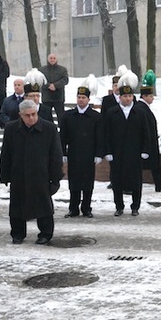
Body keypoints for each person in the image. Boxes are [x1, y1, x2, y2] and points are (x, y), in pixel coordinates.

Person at [0, 99, 63, 244]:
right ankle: (18, 233)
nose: (31, 118)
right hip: (18, 174)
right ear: (20, 114)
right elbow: (6, 154)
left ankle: (45, 233)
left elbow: (55, 156)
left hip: (41, 174)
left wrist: (56, 178)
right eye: (27, 115)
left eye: (34, 114)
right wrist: (4, 175)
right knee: (17, 206)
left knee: (44, 205)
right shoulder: (11, 128)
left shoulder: (49, 129)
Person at [104, 71, 151, 216]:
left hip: (134, 152)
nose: (127, 98)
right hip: (117, 153)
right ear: (120, 97)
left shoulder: (139, 112)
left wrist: (145, 150)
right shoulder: (112, 113)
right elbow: (106, 133)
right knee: (117, 180)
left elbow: (146, 132)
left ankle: (135, 206)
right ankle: (119, 206)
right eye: (125, 96)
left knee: (136, 180)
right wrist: (108, 151)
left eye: (130, 96)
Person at [60, 76, 104, 218]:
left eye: (83, 97)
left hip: (89, 155)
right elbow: (63, 136)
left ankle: (86, 208)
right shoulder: (68, 116)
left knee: (87, 183)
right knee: (73, 183)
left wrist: (99, 154)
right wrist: (63, 153)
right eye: (79, 97)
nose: (81, 100)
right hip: (73, 154)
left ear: (88, 99)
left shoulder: (95, 117)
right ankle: (73, 208)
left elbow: (100, 136)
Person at [136, 70, 161, 192]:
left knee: (155, 164)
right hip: (146, 142)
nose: (153, 98)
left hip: (150, 141)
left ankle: (159, 184)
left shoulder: (144, 107)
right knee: (143, 165)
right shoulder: (140, 108)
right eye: (151, 96)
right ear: (144, 96)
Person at [39, 53, 69, 123]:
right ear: (47, 59)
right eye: (50, 58)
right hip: (46, 97)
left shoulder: (62, 69)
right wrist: (48, 85)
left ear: (56, 59)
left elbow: (65, 80)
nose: (52, 60)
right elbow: (40, 81)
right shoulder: (41, 70)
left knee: (61, 117)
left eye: (54, 58)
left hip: (58, 97)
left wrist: (55, 85)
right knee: (46, 117)